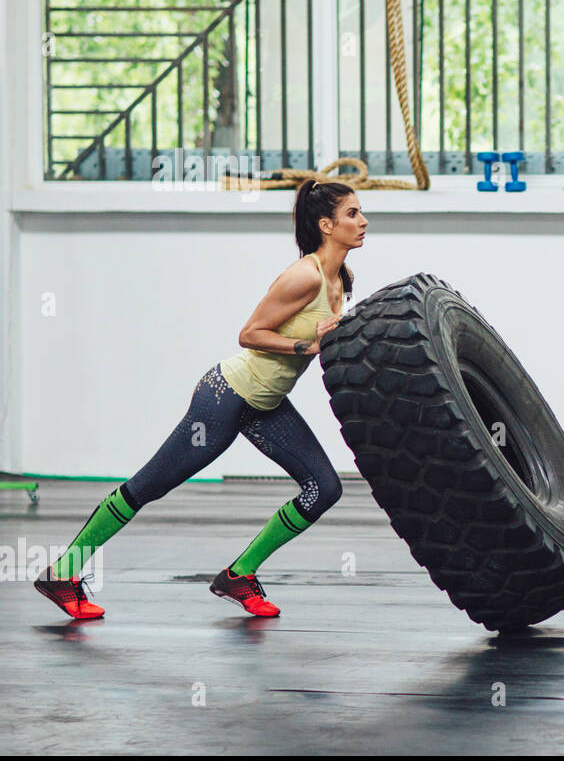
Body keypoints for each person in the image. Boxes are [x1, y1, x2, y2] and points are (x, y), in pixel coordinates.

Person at [34, 179, 367, 619]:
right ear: (327, 225)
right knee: (148, 486)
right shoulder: (304, 276)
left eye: (361, 213)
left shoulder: (340, 277)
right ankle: (63, 573)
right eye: (352, 214)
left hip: (266, 405)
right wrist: (310, 347)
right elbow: (250, 334)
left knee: (324, 489)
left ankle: (238, 574)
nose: (363, 222)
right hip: (225, 397)